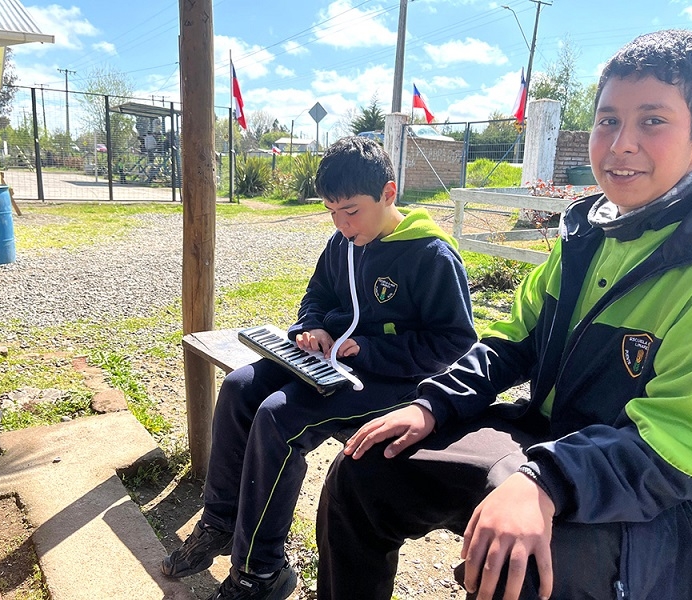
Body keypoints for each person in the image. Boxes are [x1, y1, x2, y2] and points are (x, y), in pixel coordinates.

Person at [316, 30, 692, 600]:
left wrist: (544, 479)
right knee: (363, 470)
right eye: (608, 120)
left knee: (522, 567)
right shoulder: (585, 235)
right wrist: (430, 404)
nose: (621, 144)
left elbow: (678, 444)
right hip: (548, 442)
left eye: (652, 121)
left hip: (652, 501)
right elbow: (511, 342)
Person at [161, 136, 477, 600]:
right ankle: (220, 522)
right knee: (239, 387)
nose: (342, 224)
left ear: (389, 193)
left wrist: (366, 351)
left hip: (392, 383)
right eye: (331, 211)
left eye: (351, 210)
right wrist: (310, 330)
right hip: (330, 363)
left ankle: (261, 571)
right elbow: (316, 298)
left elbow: (455, 344)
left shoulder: (430, 255)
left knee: (279, 418)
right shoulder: (342, 244)